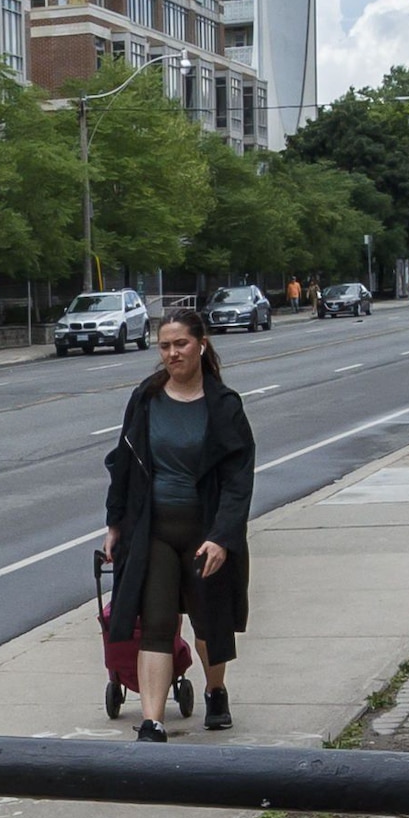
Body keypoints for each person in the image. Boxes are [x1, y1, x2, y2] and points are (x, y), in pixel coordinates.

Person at [95, 310, 252, 741]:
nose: (172, 353)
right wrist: (115, 524)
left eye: (180, 344)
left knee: (208, 622)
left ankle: (215, 691)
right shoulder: (146, 399)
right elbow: (122, 465)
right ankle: (152, 720)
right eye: (164, 346)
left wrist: (223, 537)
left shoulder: (224, 407)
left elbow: (239, 481)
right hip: (154, 530)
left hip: (205, 531)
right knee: (157, 622)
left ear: (201, 344)